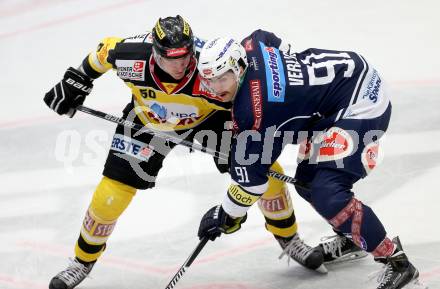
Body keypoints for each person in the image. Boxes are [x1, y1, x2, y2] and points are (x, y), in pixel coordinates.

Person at [43, 17, 326, 289]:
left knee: (267, 173)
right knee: (110, 196)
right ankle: (82, 262)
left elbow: (251, 86)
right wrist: (77, 80)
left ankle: (289, 240)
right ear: (155, 53)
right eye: (171, 58)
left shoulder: (209, 67)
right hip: (148, 120)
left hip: (212, 121)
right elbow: (101, 53)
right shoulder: (131, 56)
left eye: (185, 56)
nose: (181, 65)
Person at [196, 31, 421, 289]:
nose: (214, 87)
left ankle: (396, 261)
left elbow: (253, 185)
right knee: (308, 181)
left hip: (360, 101)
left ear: (238, 69)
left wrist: (224, 214)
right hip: (343, 85)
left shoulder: (254, 112)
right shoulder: (249, 47)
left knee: (327, 192)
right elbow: (265, 37)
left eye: (222, 79)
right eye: (209, 80)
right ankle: (352, 235)